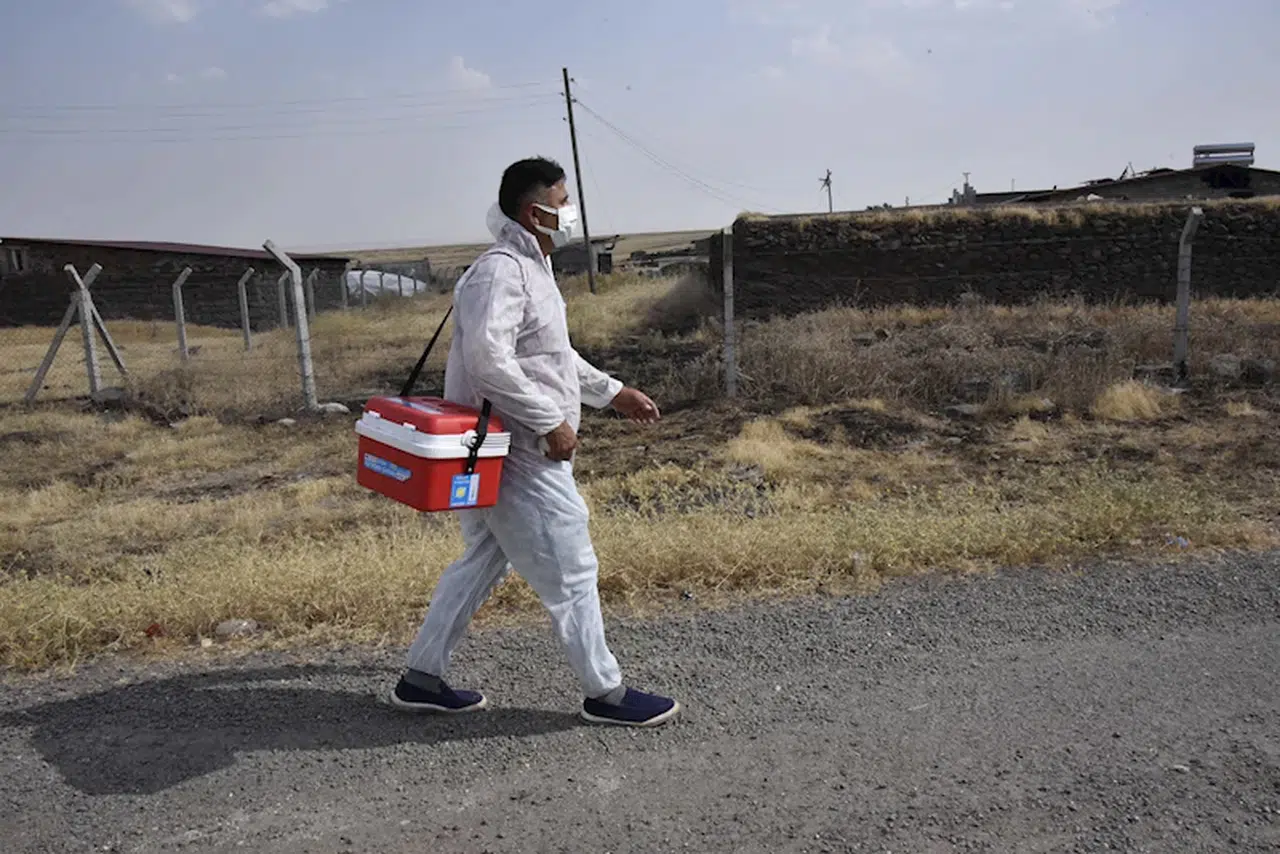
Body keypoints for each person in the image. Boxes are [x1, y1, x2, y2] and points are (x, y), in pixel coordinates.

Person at [388, 156, 681, 728]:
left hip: (505, 448)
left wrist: (612, 392)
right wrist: (549, 421)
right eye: (563, 201)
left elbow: (550, 355)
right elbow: (488, 359)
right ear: (534, 210)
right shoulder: (502, 270)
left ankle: (421, 678)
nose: (569, 211)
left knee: (481, 561)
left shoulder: (532, 268)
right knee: (572, 564)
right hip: (516, 449)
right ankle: (606, 692)